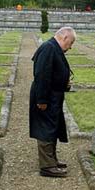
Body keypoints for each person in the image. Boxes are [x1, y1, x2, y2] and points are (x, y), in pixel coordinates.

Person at [29, 27, 76, 178]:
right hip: (46, 97)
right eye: (71, 42)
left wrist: (64, 83)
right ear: (64, 37)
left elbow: (54, 71)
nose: (71, 46)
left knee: (52, 127)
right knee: (45, 128)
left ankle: (51, 160)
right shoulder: (48, 48)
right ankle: (47, 166)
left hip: (53, 96)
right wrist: (41, 100)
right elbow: (41, 75)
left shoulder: (54, 48)